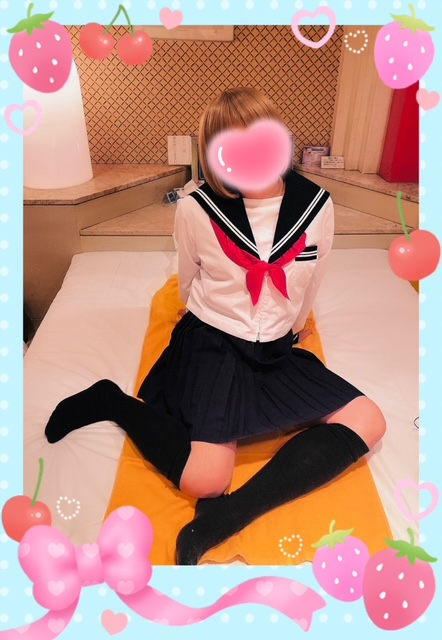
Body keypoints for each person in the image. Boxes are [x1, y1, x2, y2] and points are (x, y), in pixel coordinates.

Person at [45, 87, 386, 565]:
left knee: (369, 420)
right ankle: (111, 400)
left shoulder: (317, 205)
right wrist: (204, 316)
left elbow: (313, 279)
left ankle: (229, 516)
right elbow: (189, 277)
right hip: (215, 342)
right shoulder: (196, 208)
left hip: (275, 349)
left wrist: (291, 328)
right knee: (206, 478)